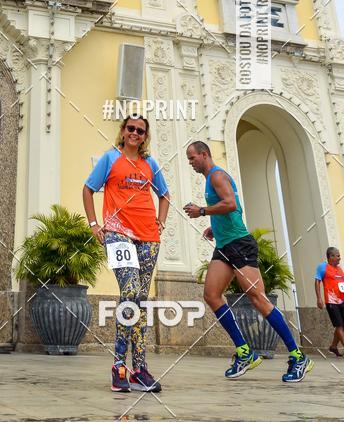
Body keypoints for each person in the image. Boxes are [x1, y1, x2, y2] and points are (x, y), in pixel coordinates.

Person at [185, 141, 313, 383]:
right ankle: (245, 352)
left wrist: (202, 211)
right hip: (225, 246)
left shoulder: (217, 175)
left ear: (204, 154)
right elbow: (235, 209)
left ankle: (298, 356)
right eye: (189, 159)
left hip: (239, 245)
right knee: (211, 295)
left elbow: (231, 204)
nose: (190, 162)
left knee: (258, 299)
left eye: (192, 158)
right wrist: (215, 228)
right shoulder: (211, 178)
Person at [83, 116, 170, 393]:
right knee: (130, 292)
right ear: (122, 132)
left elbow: (165, 195)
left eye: (140, 131)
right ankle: (119, 366)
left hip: (148, 238)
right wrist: (94, 224)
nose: (135, 133)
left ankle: (139, 370)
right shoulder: (110, 159)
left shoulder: (150, 164)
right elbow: (88, 189)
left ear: (145, 136)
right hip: (117, 233)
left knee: (140, 302)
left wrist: (161, 222)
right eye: (130, 128)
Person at [315, 246, 344, 357]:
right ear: (331, 256)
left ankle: (333, 346)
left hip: (342, 300)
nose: (339, 258)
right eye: (337, 256)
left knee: (341, 325)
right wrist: (319, 298)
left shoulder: (340, 269)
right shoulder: (323, 267)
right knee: (339, 325)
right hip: (332, 302)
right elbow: (317, 281)